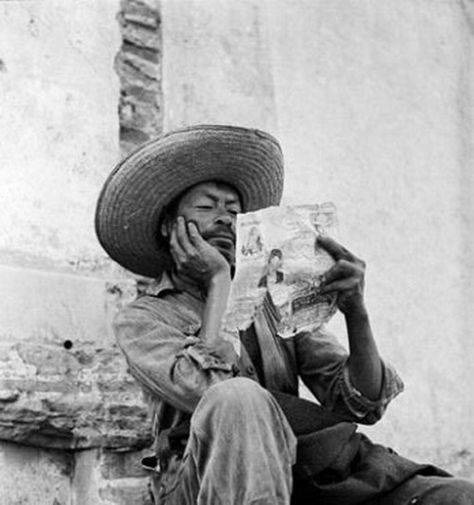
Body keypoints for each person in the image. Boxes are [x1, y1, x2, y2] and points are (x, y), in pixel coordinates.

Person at [95, 125, 474, 505]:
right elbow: (210, 389)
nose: (225, 218)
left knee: (457, 497)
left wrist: (356, 312)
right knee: (238, 397)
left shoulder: (273, 303)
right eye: (207, 207)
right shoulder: (142, 319)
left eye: (234, 211)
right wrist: (218, 280)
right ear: (169, 226)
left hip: (299, 472)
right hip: (201, 480)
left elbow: (359, 402)